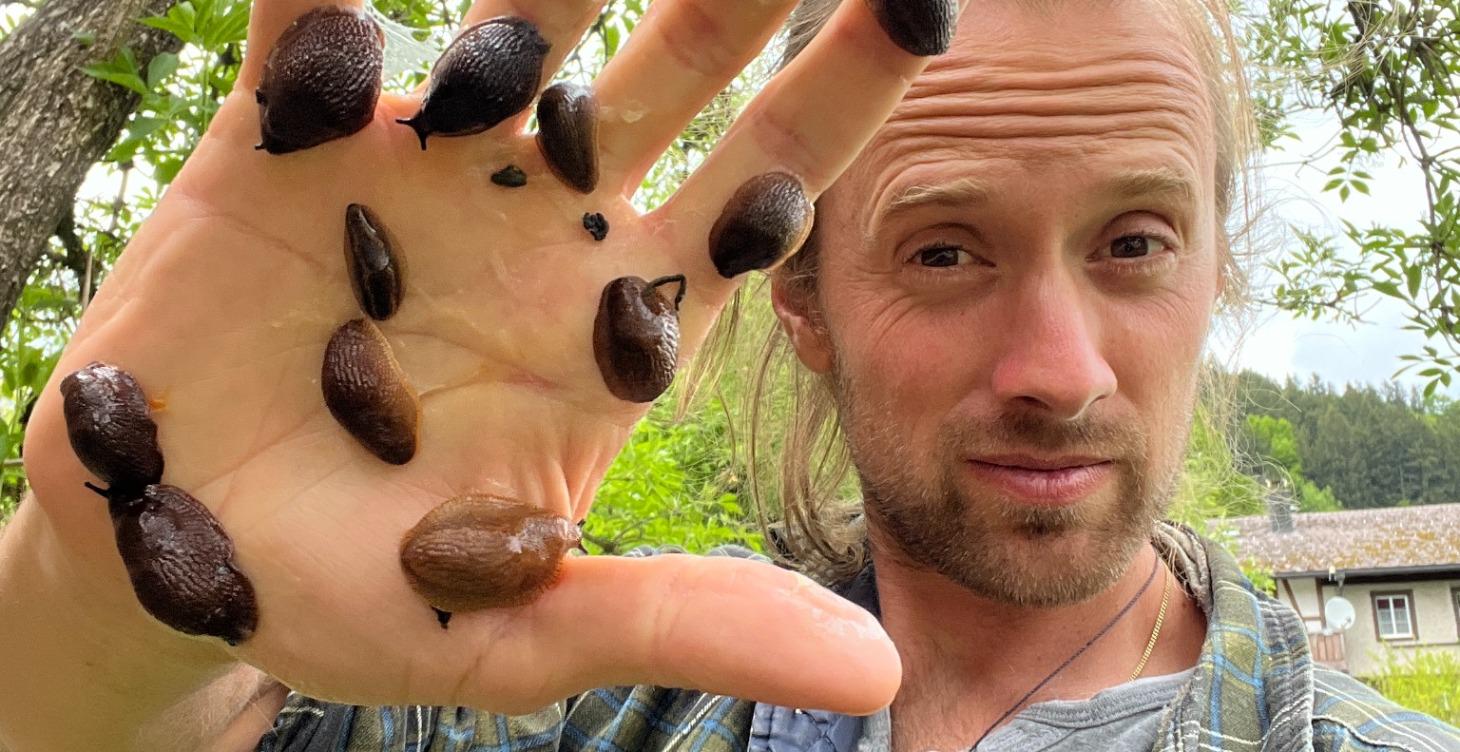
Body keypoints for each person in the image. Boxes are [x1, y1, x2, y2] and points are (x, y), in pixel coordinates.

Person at [0, 0, 1457, 750]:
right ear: (801, 299)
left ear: (1216, 271)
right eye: (945, 251)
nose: (1056, 371)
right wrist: (104, 609)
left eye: (1135, 241)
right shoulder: (565, 715)